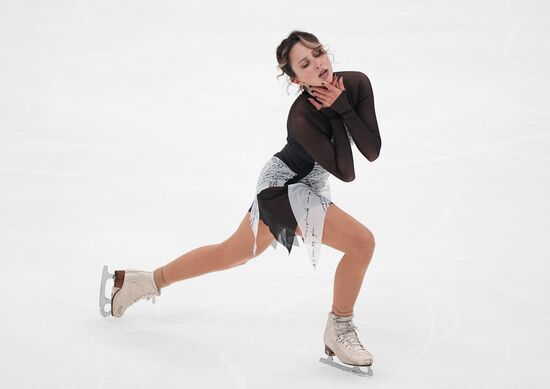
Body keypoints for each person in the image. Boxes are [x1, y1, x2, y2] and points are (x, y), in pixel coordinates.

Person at [100, 30, 381, 369]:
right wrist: (338, 111)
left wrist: (342, 108)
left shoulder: (357, 84)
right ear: (295, 78)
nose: (318, 65)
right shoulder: (302, 116)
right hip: (283, 188)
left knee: (231, 253)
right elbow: (346, 171)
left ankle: (141, 281)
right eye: (305, 64)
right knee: (361, 243)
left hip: (308, 184)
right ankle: (339, 327)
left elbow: (371, 149)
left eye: (318, 53)